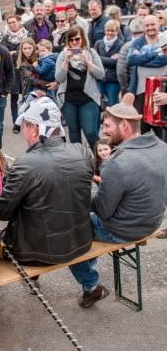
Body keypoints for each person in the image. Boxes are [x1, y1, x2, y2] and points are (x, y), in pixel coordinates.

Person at [69, 95, 167, 307]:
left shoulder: (116, 163)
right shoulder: (161, 147)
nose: (103, 130)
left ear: (124, 125)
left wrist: (81, 190)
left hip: (124, 229)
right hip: (153, 221)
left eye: (107, 126)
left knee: (69, 228)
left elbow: (103, 211)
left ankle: (91, 287)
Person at [0, 93, 94, 278]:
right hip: (81, 242)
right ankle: (89, 283)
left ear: (33, 129)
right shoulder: (82, 151)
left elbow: (2, 213)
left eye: (23, 125)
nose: (22, 130)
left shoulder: (25, 164)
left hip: (36, 253)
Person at [55, 26, 105, 149]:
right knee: (74, 133)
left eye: (77, 39)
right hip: (68, 99)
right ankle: (79, 163)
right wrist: (66, 62)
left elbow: (101, 74)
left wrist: (88, 63)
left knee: (90, 132)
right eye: (71, 40)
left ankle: (101, 159)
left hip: (88, 98)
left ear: (82, 38)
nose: (74, 43)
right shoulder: (63, 54)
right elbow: (59, 79)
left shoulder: (91, 52)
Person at [127, 15, 167, 133]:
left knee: (161, 129)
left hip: (162, 91)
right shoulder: (138, 42)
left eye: (153, 24)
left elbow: (164, 60)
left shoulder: (164, 38)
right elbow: (131, 60)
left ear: (159, 24)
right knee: (142, 129)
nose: (150, 28)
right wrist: (155, 53)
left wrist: (142, 59)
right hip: (141, 91)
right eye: (147, 25)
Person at [93, 20, 123, 107]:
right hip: (100, 79)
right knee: (97, 103)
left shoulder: (121, 45)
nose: (109, 33)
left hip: (113, 80)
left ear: (117, 31)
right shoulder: (98, 43)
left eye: (112, 31)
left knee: (112, 103)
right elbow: (94, 60)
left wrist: (99, 58)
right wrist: (109, 60)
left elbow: (118, 63)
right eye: (107, 30)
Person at [116, 17, 144, 95]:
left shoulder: (126, 46)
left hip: (132, 88)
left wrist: (125, 87)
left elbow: (121, 71)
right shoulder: (151, 44)